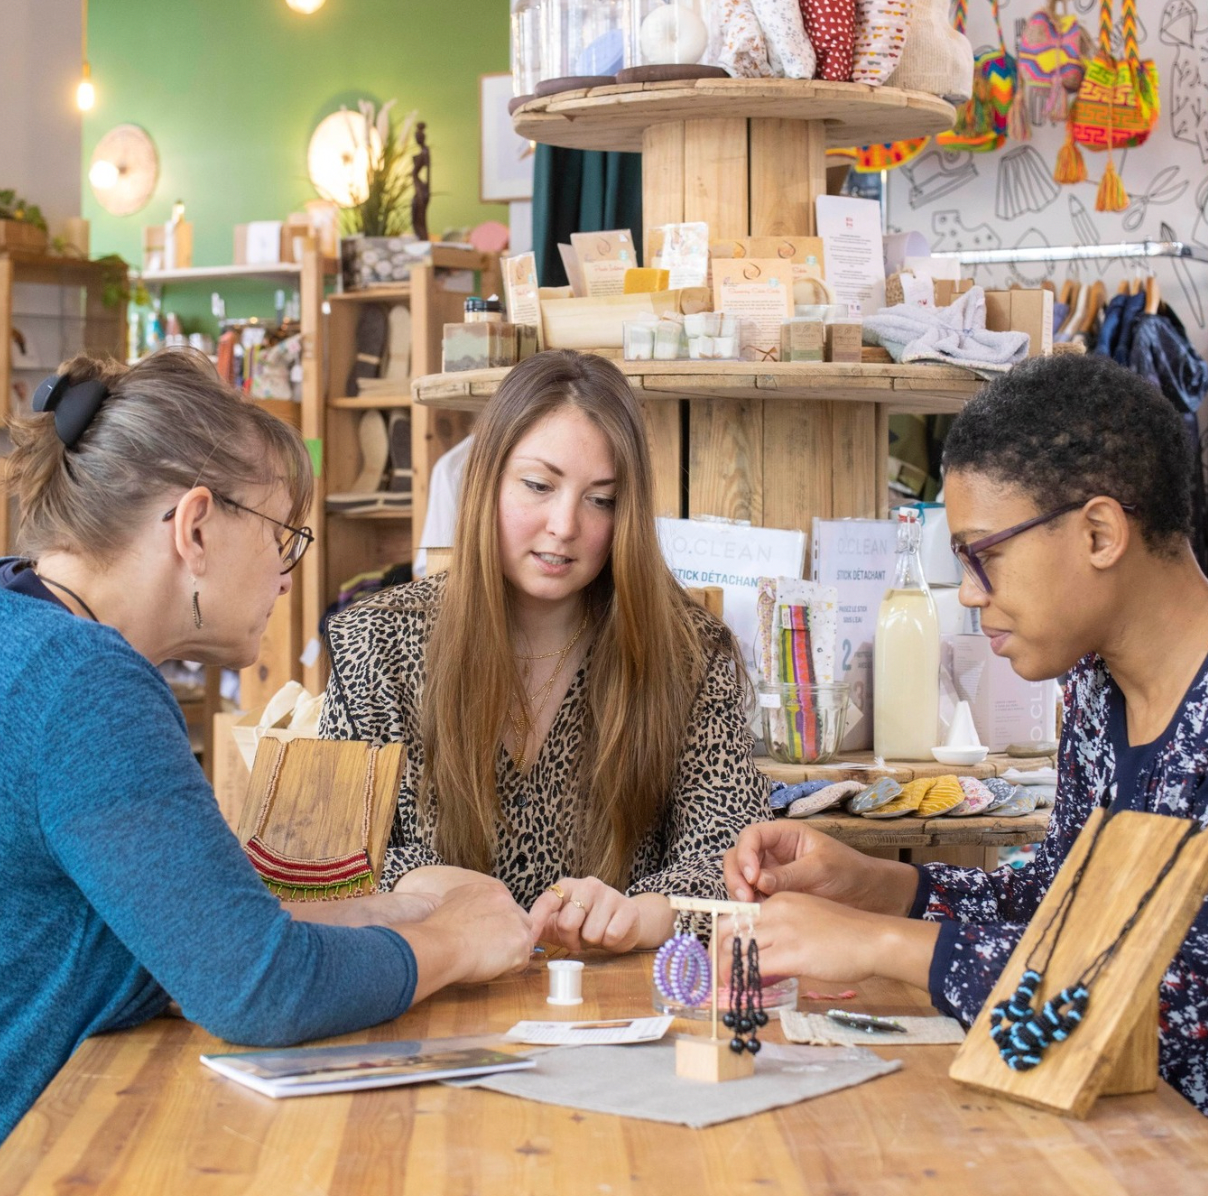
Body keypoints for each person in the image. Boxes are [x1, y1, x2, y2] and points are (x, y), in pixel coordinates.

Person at [0, 351, 535, 1142]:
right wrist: (454, 941)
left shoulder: (25, 630)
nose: (287, 576)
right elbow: (255, 990)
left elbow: (168, 928)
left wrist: (396, 908)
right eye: (284, 537)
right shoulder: (87, 686)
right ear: (195, 525)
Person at [723, 353, 1208, 1115]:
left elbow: (1176, 1014)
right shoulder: (1096, 688)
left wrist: (887, 947)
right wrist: (882, 888)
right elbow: (1060, 907)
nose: (974, 596)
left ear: (1101, 533)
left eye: (985, 556)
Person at [321, 349, 772, 953]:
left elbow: (731, 861)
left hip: (623, 1014)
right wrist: (429, 887)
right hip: (431, 1001)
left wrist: (641, 916)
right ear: (487, 480)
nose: (565, 524)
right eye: (539, 485)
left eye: (601, 499)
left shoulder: (690, 656)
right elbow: (318, 860)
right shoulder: (377, 642)